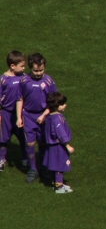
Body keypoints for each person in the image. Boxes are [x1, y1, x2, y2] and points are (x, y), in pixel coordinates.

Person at [16, 53, 57, 184]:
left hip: (44, 116)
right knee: (30, 143)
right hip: (28, 115)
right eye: (35, 71)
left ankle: (44, 168)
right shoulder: (24, 81)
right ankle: (33, 169)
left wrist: (44, 115)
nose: (39, 73)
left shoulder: (49, 81)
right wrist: (18, 117)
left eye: (41, 70)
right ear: (30, 68)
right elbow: (19, 99)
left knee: (43, 142)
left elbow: (54, 102)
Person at [0, 51, 27, 171]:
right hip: (6, 112)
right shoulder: (3, 79)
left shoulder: (24, 78)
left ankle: (25, 159)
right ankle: (2, 158)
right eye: (22, 66)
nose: (24, 68)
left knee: (23, 137)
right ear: (12, 66)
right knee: (3, 137)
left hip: (20, 113)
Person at [43, 92, 74, 194]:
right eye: (62, 104)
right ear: (56, 106)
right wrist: (67, 145)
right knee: (59, 166)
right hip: (58, 146)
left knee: (55, 165)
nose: (65, 105)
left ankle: (55, 182)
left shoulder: (50, 116)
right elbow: (61, 134)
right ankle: (58, 186)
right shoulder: (57, 119)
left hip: (52, 146)